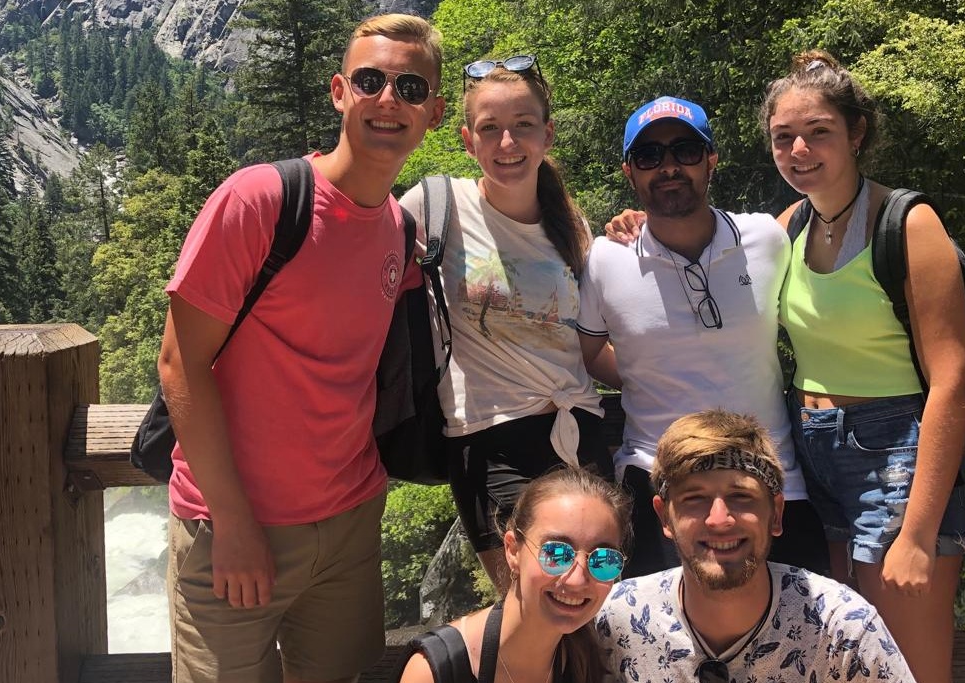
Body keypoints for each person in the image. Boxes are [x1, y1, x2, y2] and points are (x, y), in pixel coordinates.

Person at [157, 14, 446, 683]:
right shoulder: (261, 200)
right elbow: (179, 363)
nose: (388, 99)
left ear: (432, 114)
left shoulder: (398, 230)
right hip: (232, 526)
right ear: (339, 92)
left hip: (349, 524)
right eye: (370, 80)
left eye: (409, 87)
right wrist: (233, 521)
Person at [762, 50, 965, 683]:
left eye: (818, 131)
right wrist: (637, 227)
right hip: (812, 452)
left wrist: (918, 532)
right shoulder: (791, 225)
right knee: (847, 659)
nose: (799, 150)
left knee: (908, 668)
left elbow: (954, 381)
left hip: (897, 453)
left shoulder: (907, 223)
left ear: (856, 133)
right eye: (783, 136)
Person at [577, 95, 828, 578]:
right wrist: (644, 373)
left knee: (800, 619)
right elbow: (588, 353)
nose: (668, 166)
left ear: (711, 159)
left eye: (685, 150)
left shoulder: (766, 239)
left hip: (771, 476)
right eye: (649, 156)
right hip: (658, 481)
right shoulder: (607, 259)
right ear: (629, 172)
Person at [399, 55, 613, 593]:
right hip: (490, 443)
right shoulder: (436, 205)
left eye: (523, 125)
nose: (507, 142)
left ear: (547, 134)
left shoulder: (573, 223)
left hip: (581, 431)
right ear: (467, 140)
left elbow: (588, 341)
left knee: (596, 605)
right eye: (490, 128)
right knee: (530, 610)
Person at [595, 409, 917, 682]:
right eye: (694, 498)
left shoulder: (843, 628)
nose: (719, 519)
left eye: (741, 496)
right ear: (665, 517)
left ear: (776, 513)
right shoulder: (616, 620)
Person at [398, 466, 632, 683]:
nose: (577, 580)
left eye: (604, 559)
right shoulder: (436, 670)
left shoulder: (593, 658)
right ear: (512, 550)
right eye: (556, 553)